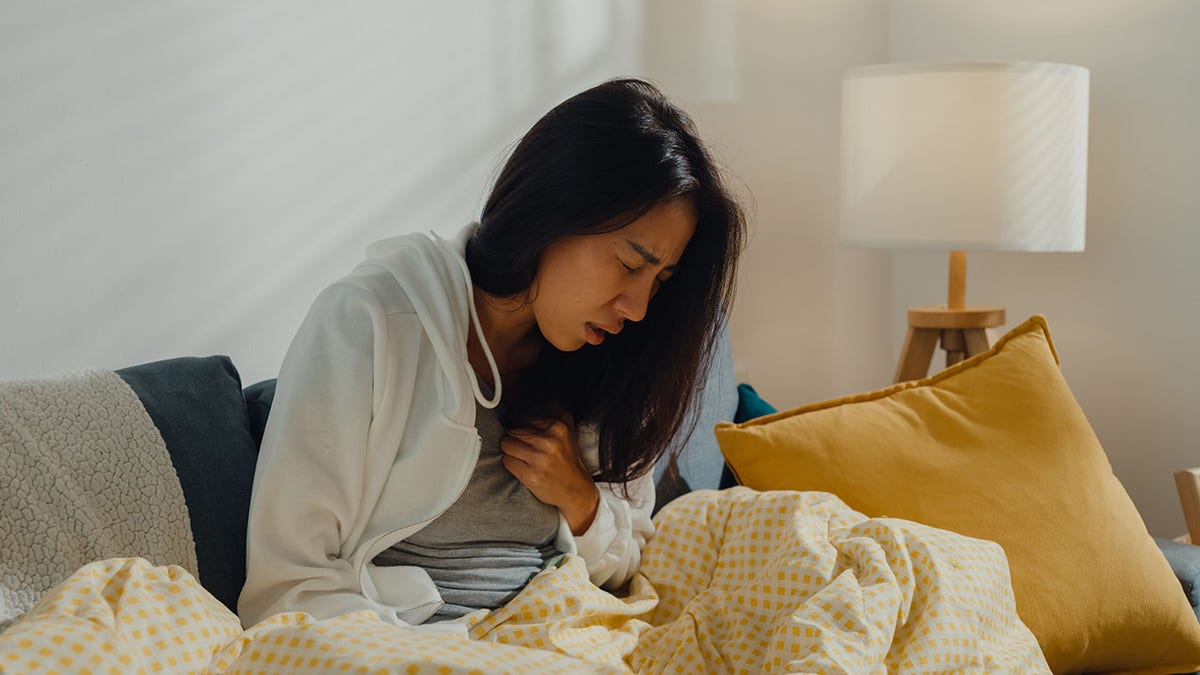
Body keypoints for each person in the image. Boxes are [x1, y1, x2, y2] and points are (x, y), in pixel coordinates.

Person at [237, 77, 745, 635]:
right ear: (555, 210)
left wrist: (581, 502)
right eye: (629, 264)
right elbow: (289, 583)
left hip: (570, 633)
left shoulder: (615, 362)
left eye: (661, 280)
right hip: (414, 641)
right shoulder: (372, 321)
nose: (639, 307)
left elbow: (625, 564)